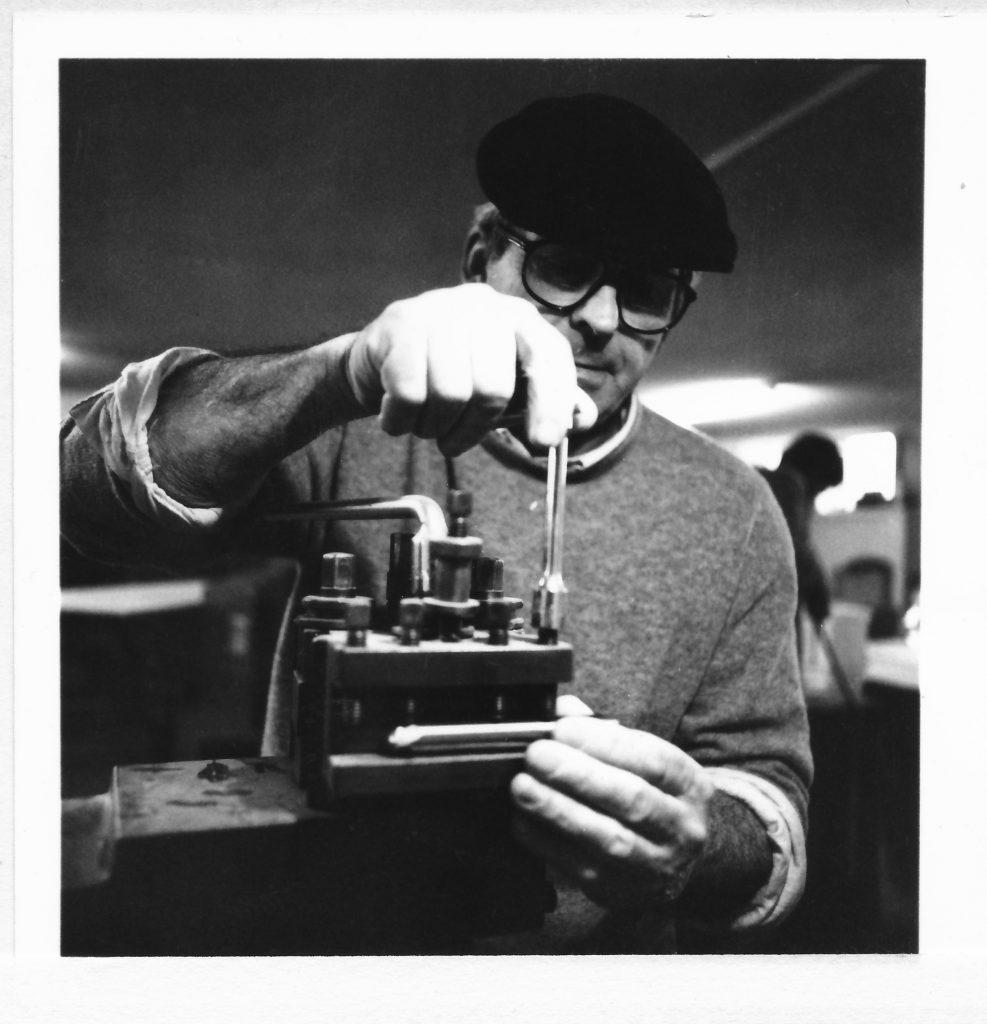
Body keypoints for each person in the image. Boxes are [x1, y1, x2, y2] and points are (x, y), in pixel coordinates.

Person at [60, 93, 812, 953]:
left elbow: (768, 804)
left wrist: (690, 841)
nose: (603, 321)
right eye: (564, 266)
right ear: (479, 257)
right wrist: (342, 371)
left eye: (645, 291)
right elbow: (83, 495)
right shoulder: (352, 429)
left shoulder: (736, 510)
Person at [761, 433, 844, 629]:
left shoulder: (769, 484)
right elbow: (796, 548)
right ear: (815, 473)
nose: (814, 497)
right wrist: (819, 595)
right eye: (821, 488)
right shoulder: (788, 483)